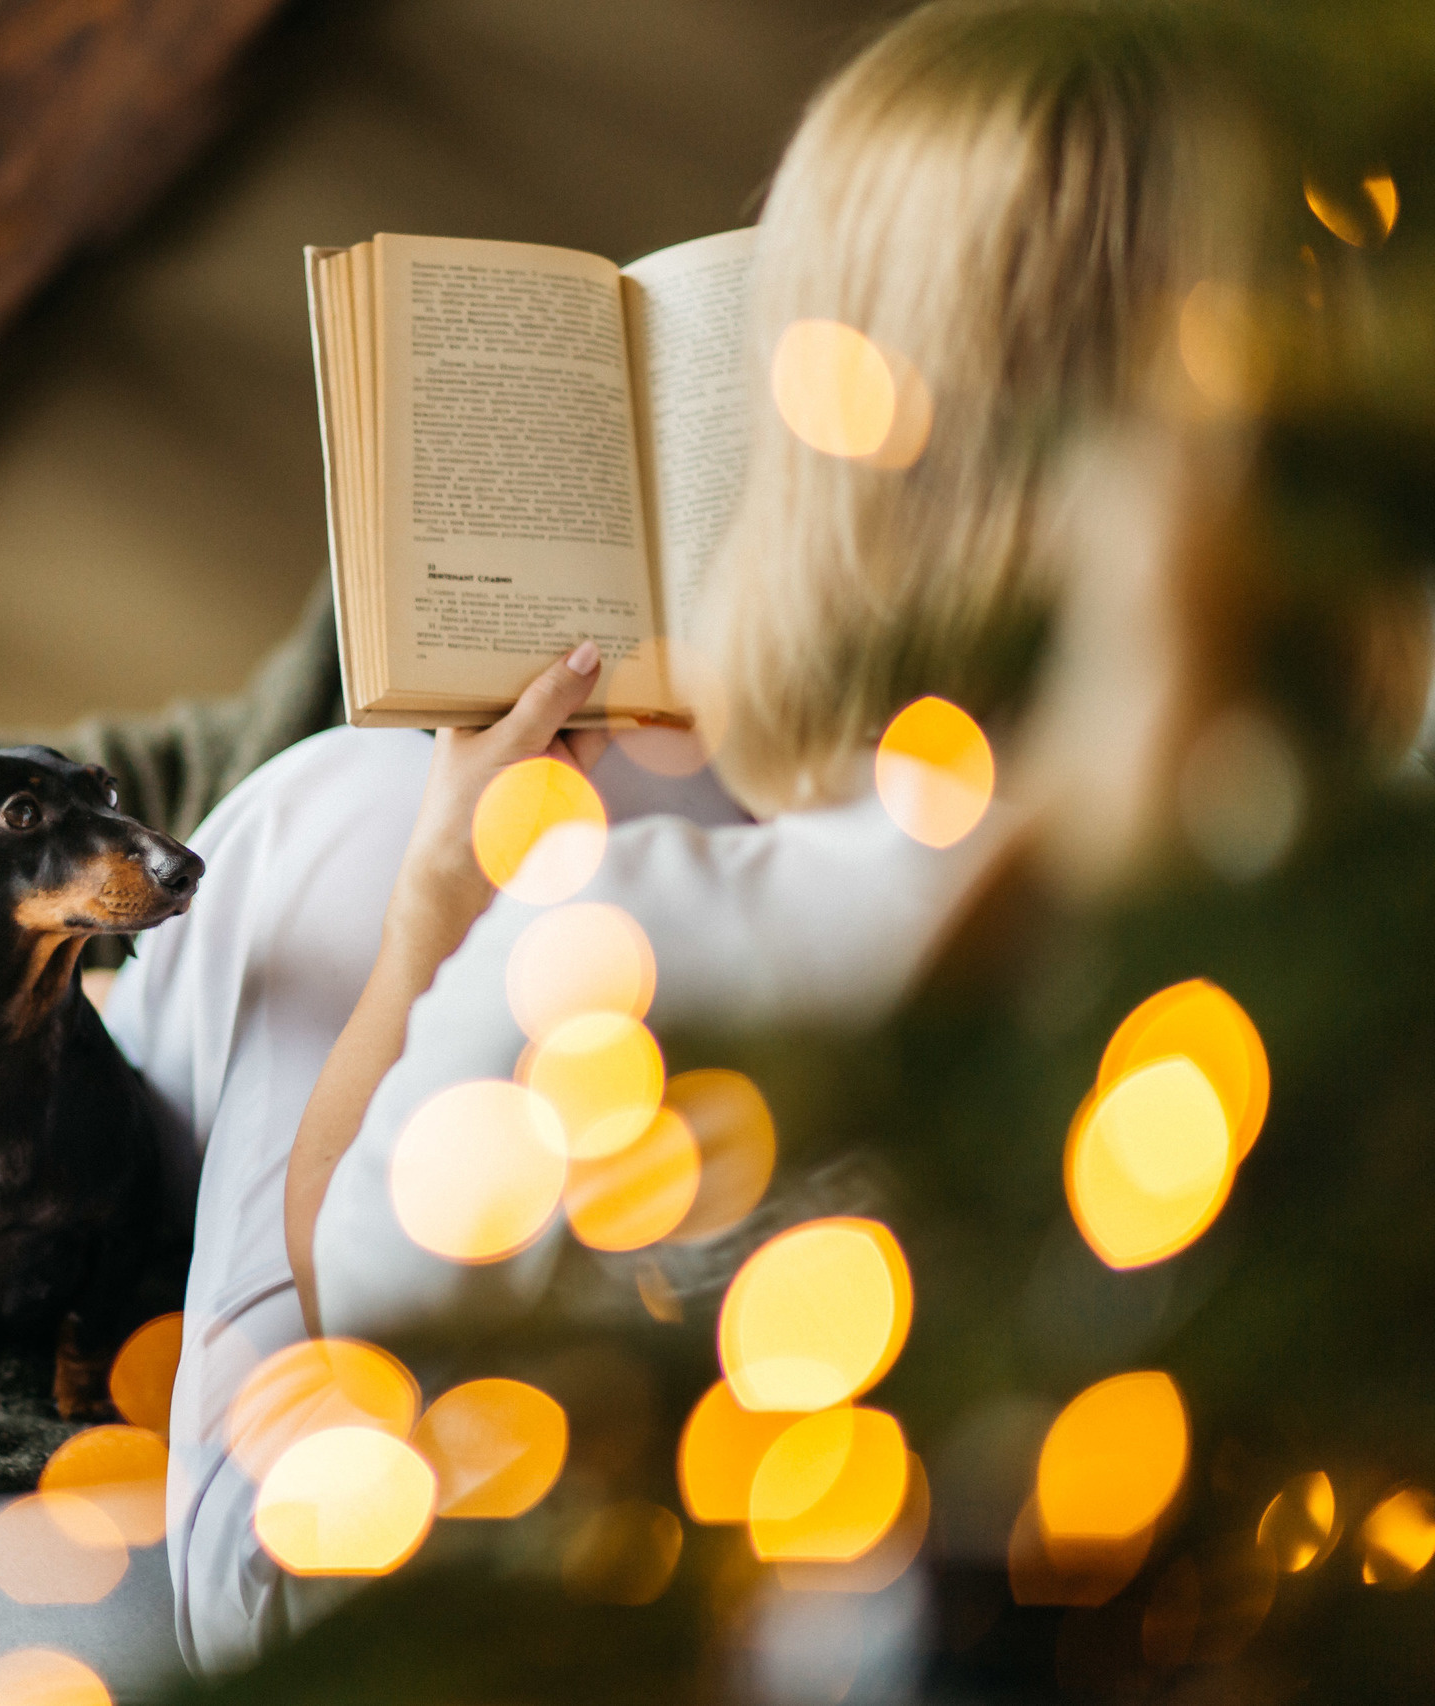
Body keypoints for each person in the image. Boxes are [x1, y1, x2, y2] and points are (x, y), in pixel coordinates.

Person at [96, 0, 1264, 1676]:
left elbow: (303, 1467)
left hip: (428, 1574)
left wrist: (434, 929)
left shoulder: (602, 957)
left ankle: (105, 1066)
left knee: (347, 824)